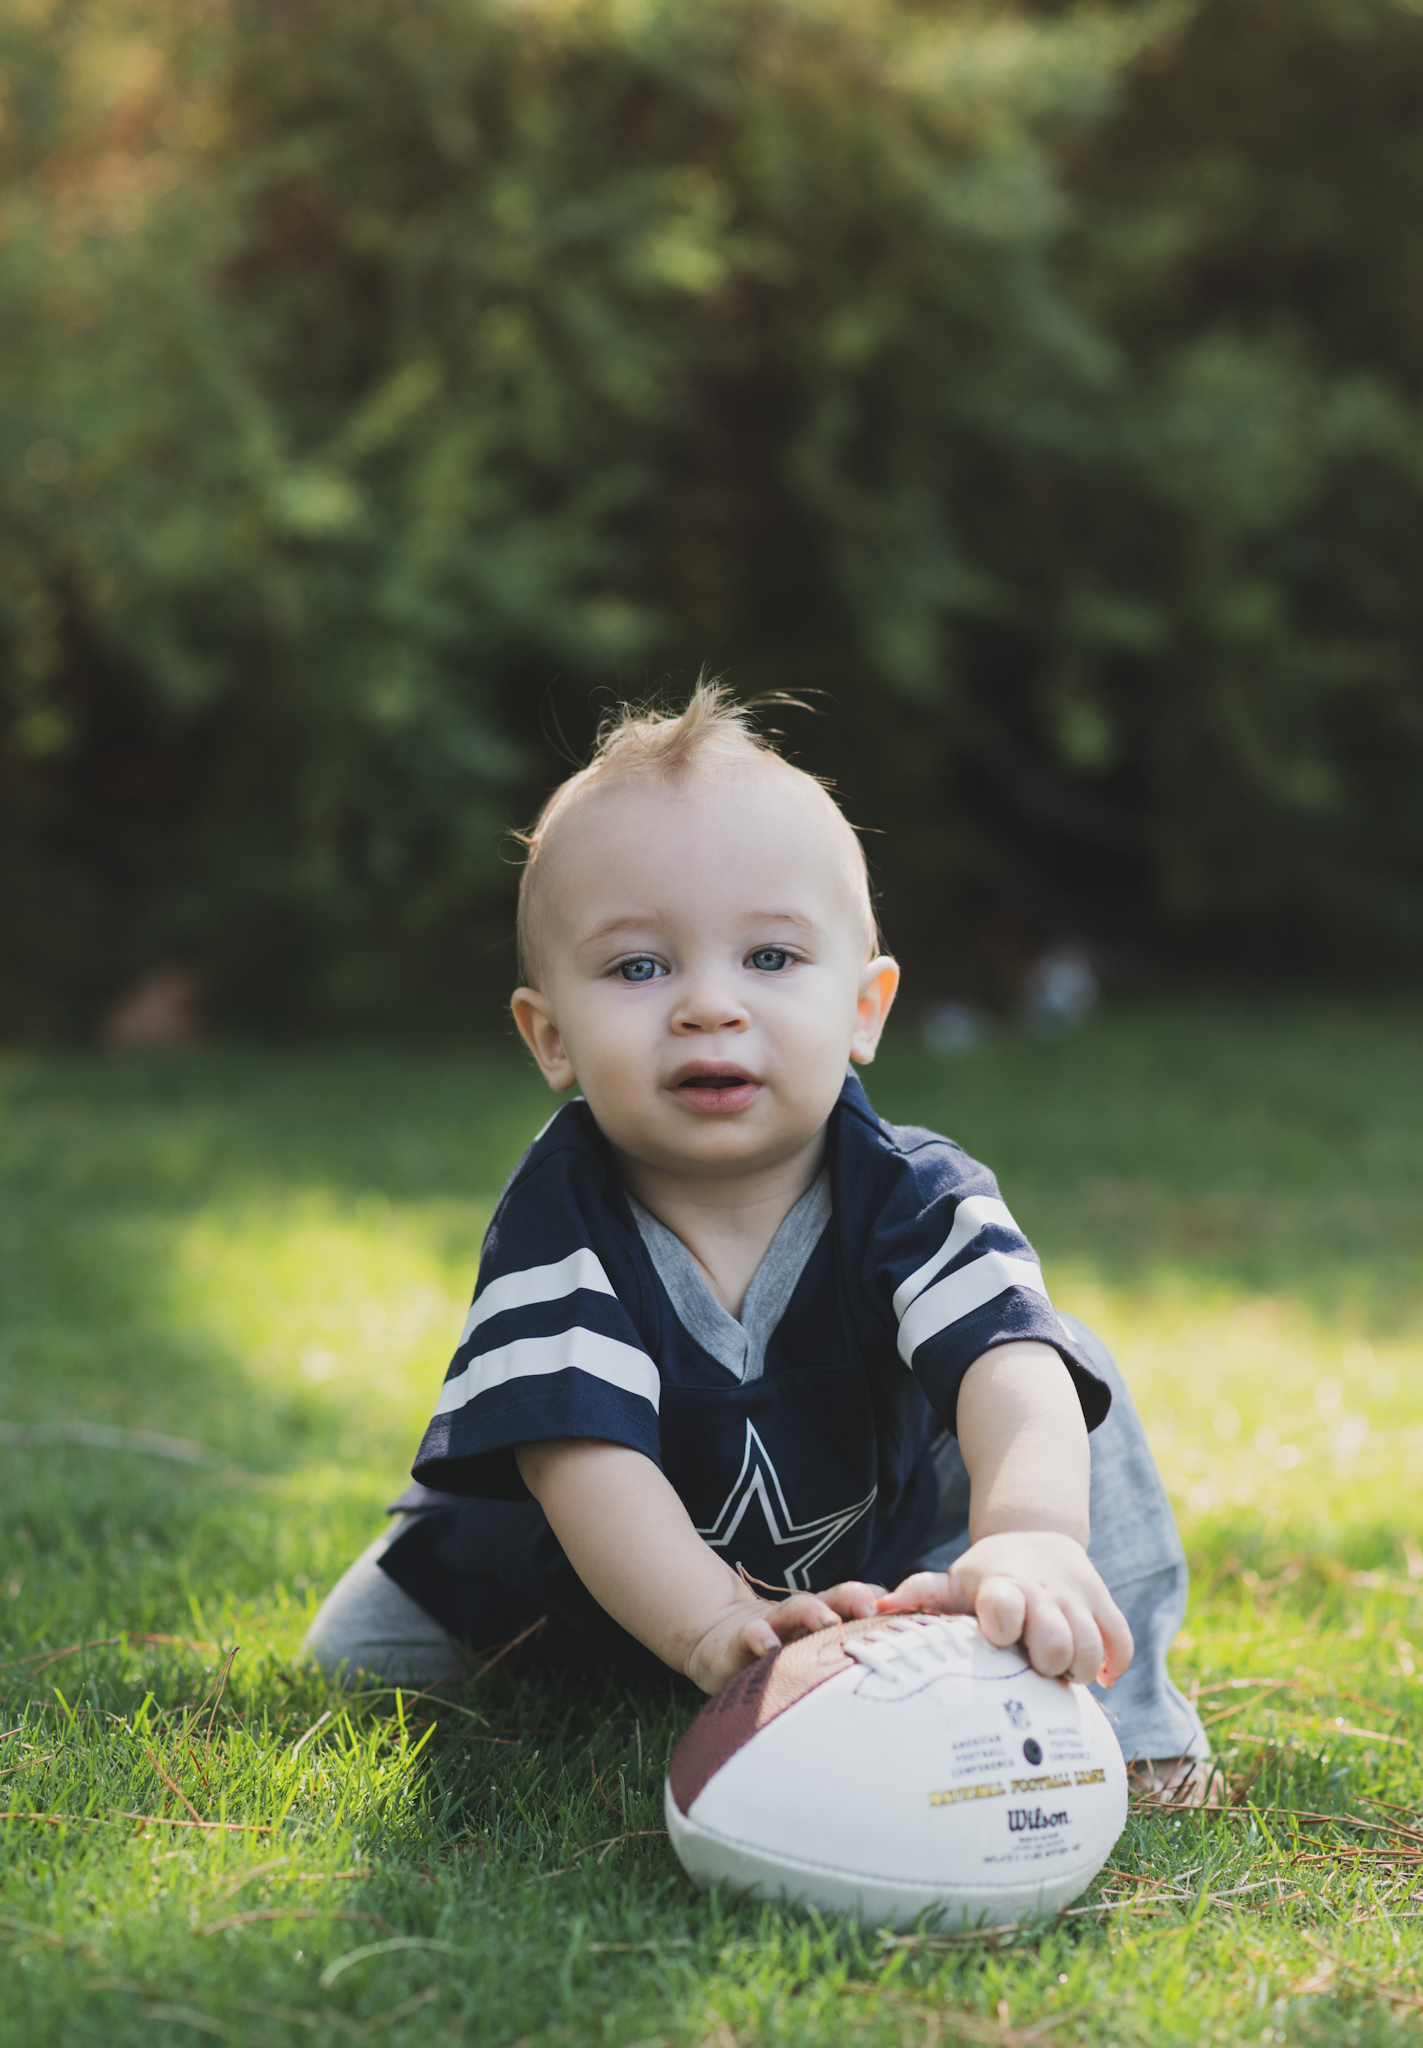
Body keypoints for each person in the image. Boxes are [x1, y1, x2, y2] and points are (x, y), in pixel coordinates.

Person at [307, 685, 1208, 1794]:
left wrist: (1025, 1532)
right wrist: (711, 1627)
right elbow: (580, 1460)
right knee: (351, 1670)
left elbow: (1003, 1367)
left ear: (866, 1007)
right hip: (553, 1567)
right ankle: (627, 1640)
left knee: (1059, 1361)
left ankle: (1126, 1729)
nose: (708, 1006)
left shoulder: (913, 1190)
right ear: (550, 1037)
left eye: (771, 958)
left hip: (853, 1541)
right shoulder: (561, 1217)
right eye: (640, 967)